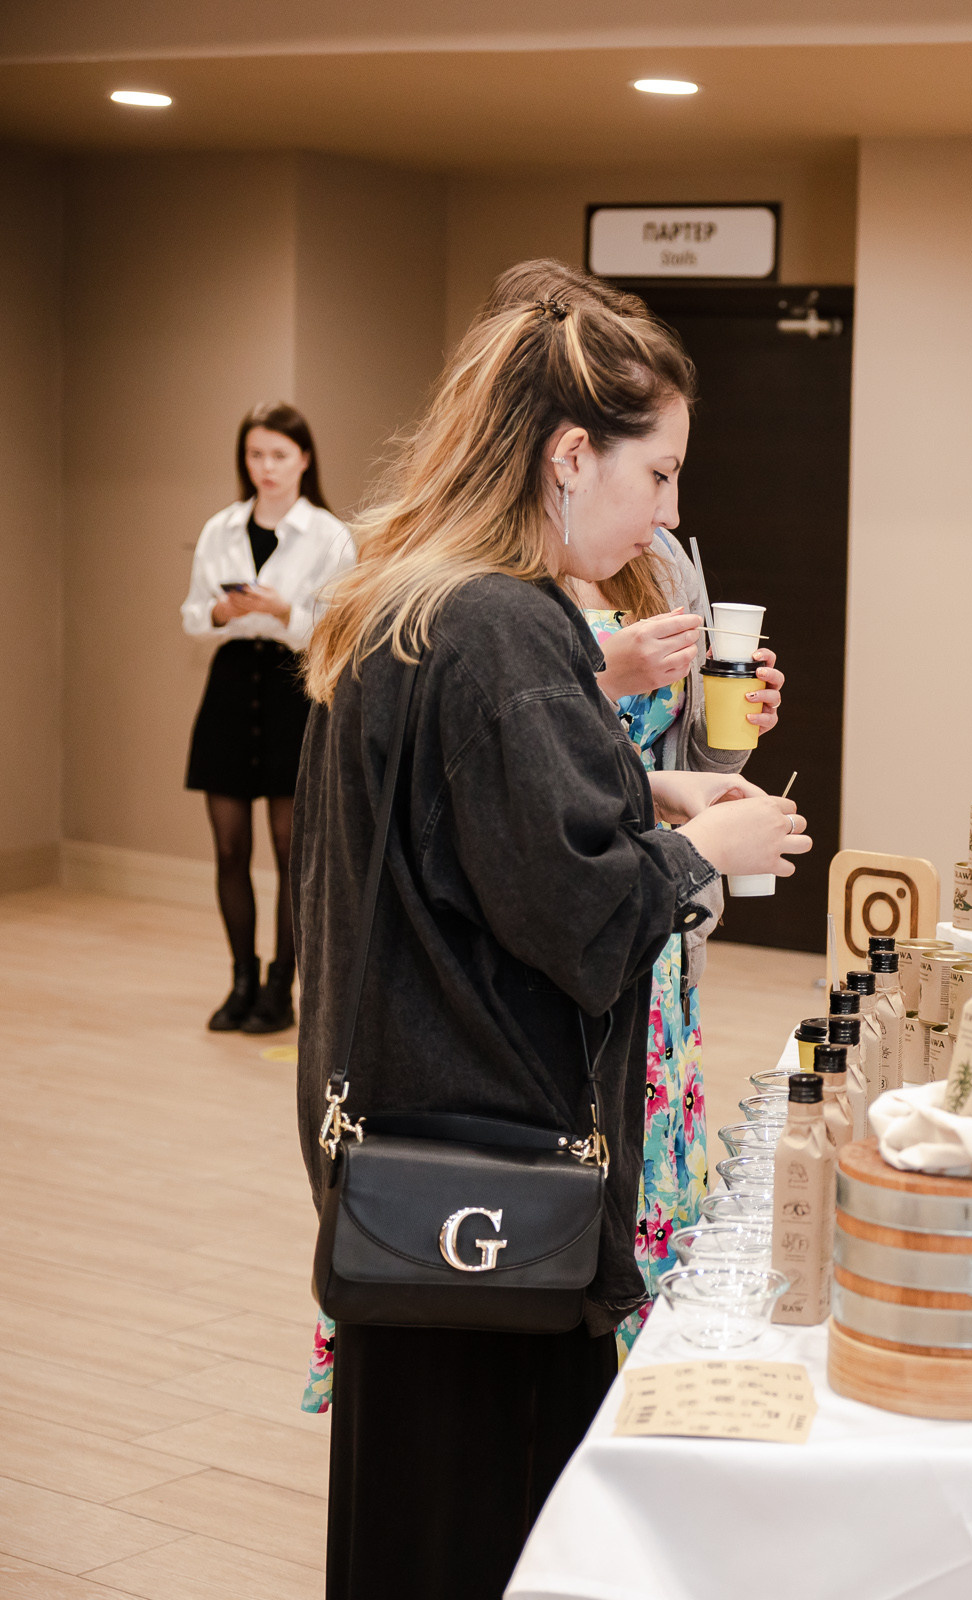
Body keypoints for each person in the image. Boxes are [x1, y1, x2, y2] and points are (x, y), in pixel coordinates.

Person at [293, 259, 808, 1600]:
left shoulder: (417, 602)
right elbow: (577, 912)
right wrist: (706, 845)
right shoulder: (512, 631)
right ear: (572, 455)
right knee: (499, 1531)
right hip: (503, 1177)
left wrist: (642, 783)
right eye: (661, 476)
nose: (668, 514)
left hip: (406, 1161)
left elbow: (466, 829)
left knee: (409, 1517)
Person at [566, 531, 784, 1354]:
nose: (670, 511)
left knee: (655, 1162)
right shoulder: (498, 587)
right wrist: (608, 674)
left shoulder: (658, 563)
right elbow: (524, 754)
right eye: (657, 473)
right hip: (579, 914)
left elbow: (680, 751)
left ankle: (637, 1374)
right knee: (584, 1172)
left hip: (661, 919)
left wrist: (737, 726)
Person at [179, 402, 356, 1032]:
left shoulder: (331, 534)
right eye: (256, 455)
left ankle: (283, 988)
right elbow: (193, 616)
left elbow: (341, 630)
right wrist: (218, 616)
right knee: (229, 848)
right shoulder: (219, 527)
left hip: (292, 691)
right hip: (230, 687)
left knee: (291, 852)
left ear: (304, 458)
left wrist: (286, 614)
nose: (266, 468)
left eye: (279, 455)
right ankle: (241, 981)